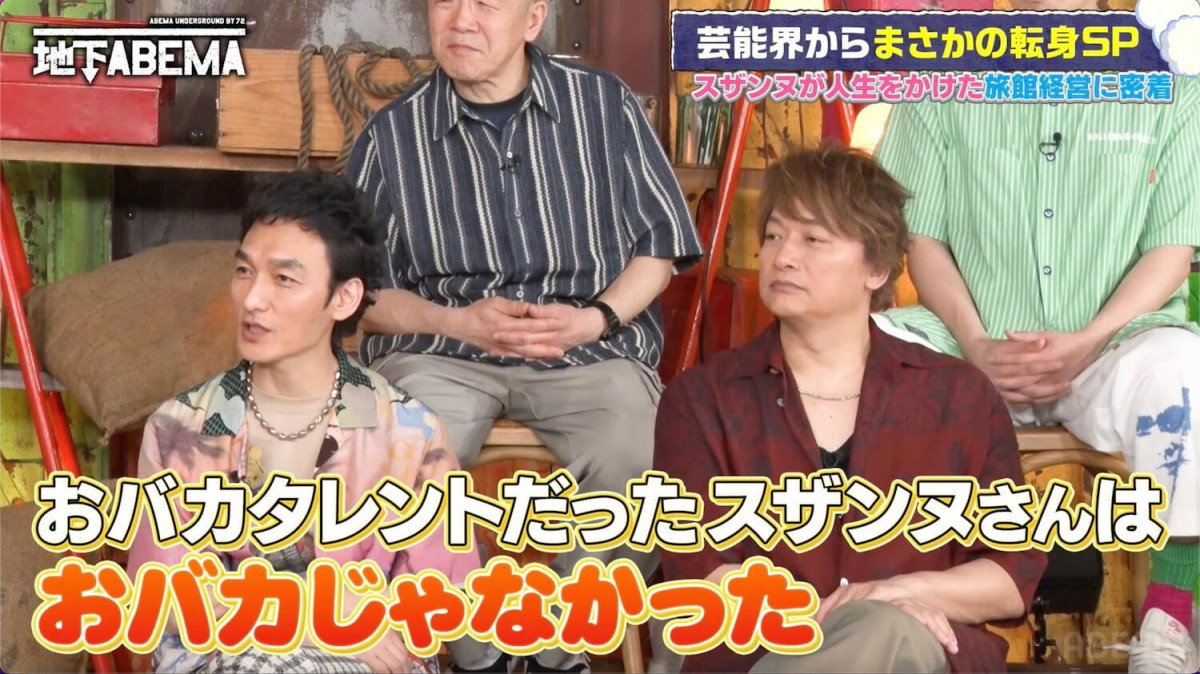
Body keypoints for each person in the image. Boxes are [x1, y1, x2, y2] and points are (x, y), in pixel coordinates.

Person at [347, 1, 702, 671]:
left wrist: (597, 317)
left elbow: (660, 248)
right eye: (446, 1)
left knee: (648, 455)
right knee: (398, 455)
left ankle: (553, 651)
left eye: (485, 3)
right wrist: (454, 321)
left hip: (587, 347)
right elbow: (360, 297)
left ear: (532, 19)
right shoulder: (391, 136)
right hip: (444, 353)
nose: (461, 19)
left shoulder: (604, 106)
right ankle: (481, 654)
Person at [874, 19, 1200, 671]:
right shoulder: (941, 69)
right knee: (861, 351)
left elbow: (1172, 246)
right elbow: (922, 238)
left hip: (1113, 346)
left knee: (1183, 371)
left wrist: (1087, 341)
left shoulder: (1171, 73)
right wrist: (975, 343)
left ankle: (1169, 621)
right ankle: (895, 610)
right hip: (971, 343)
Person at [654, 144, 1047, 673]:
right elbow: (701, 572)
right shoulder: (702, 400)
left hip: (922, 653)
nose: (783, 257)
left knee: (891, 631)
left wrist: (895, 595)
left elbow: (1008, 577)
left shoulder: (959, 396)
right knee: (879, 629)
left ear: (877, 268)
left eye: (813, 239)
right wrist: (846, 618)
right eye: (773, 236)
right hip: (766, 654)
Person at [126, 170, 480, 674]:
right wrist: (310, 615)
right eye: (244, 271)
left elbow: (441, 602)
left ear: (344, 298)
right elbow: (164, 597)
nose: (252, 299)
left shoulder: (410, 433)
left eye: (284, 279)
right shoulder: (179, 429)